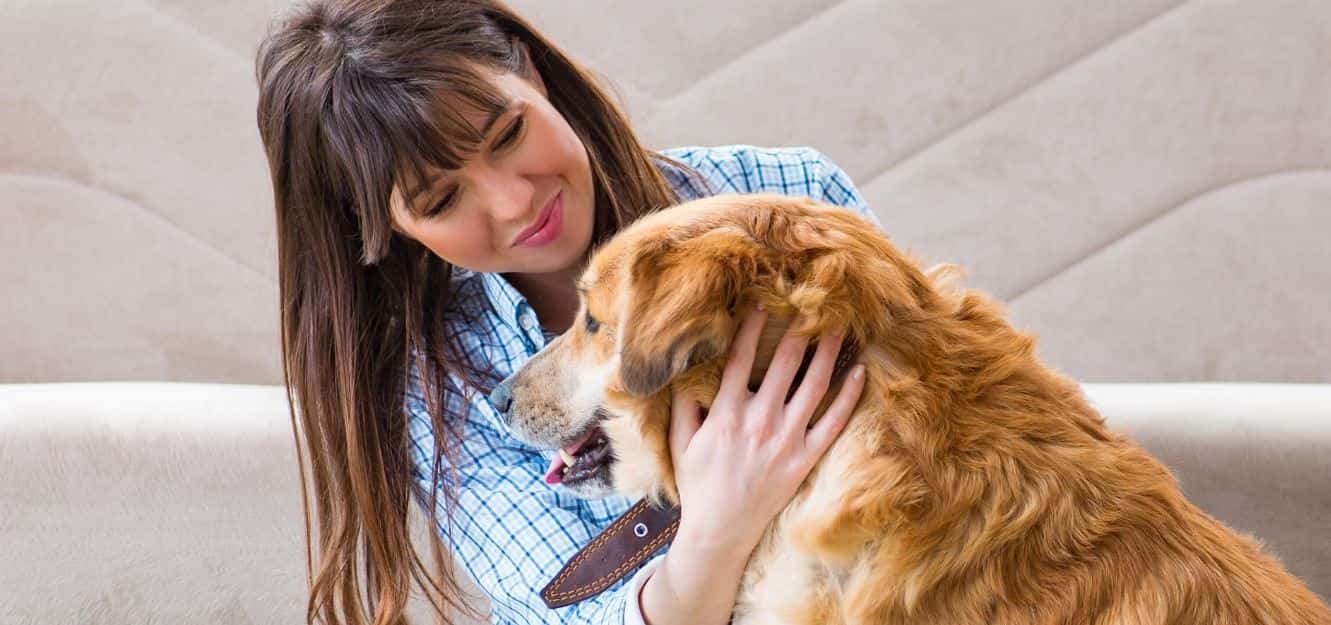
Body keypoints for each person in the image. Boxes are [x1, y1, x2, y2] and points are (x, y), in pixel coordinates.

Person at [254, 1, 881, 624]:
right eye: (442, 199)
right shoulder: (435, 388)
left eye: (507, 135)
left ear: (531, 72)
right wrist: (719, 525)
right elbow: (568, 616)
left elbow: (939, 437)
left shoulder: (785, 193)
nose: (514, 201)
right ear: (386, 230)